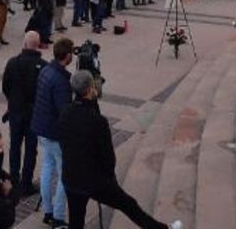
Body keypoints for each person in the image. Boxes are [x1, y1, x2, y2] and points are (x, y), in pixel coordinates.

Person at [58, 71, 182, 229]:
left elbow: (64, 142)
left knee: (76, 222)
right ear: (90, 89)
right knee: (129, 205)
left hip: (72, 178)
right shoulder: (97, 121)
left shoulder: (65, 112)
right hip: (95, 181)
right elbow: (108, 157)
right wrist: (109, 179)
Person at [30, 37, 74, 227]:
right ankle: (57, 215)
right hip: (55, 133)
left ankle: (47, 210)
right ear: (67, 55)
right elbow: (64, 111)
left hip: (41, 128)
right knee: (65, 173)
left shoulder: (46, 70)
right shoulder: (61, 80)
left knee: (47, 168)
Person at [0, 31, 46, 197]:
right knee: (31, 149)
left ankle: (14, 180)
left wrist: (13, 101)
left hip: (16, 112)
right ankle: (26, 183)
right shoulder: (43, 65)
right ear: (38, 45)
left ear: (24, 44)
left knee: (15, 146)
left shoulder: (13, 63)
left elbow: (5, 86)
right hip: (34, 113)